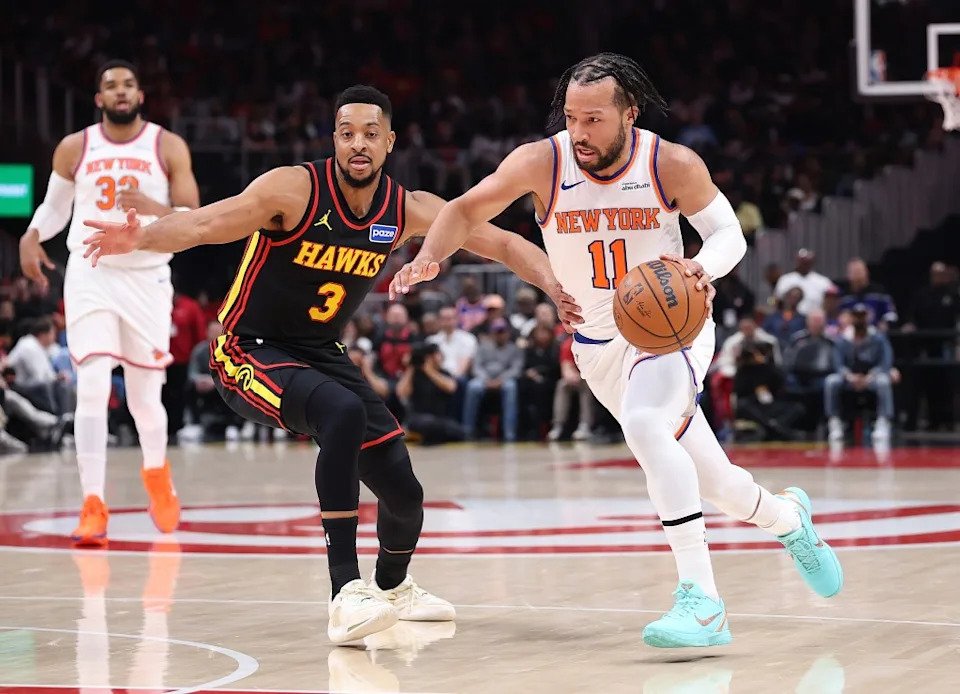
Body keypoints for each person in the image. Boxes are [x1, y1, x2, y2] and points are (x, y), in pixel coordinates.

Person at [82, 85, 581, 645]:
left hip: (321, 353)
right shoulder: (293, 189)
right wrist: (143, 236)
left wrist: (556, 287)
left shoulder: (406, 207)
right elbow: (203, 223)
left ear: (390, 142)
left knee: (404, 493)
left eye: (371, 134)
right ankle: (345, 592)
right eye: (348, 134)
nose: (358, 145)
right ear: (335, 139)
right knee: (341, 412)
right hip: (248, 346)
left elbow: (507, 246)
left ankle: (392, 588)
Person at [391, 53, 842, 648]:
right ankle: (788, 519)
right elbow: (465, 209)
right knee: (715, 482)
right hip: (596, 345)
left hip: (671, 329)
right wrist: (432, 257)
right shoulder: (541, 162)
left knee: (646, 426)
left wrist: (700, 270)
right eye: (572, 118)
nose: (580, 132)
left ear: (629, 113)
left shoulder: (670, 163)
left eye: (595, 119)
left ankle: (703, 603)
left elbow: (729, 234)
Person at [18, 60, 200, 547]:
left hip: (145, 277)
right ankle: (93, 503)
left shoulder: (167, 146)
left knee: (144, 396)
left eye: (128, 84)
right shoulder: (76, 147)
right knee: (93, 384)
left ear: (140, 94)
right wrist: (33, 235)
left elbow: (192, 220)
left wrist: (151, 208)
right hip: (91, 273)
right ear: (99, 98)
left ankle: (157, 473)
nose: (120, 92)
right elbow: (56, 208)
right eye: (110, 86)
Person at [824, 304, 895, 445]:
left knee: (883, 381)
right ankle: (834, 422)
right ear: (851, 318)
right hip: (849, 378)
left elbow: (885, 363)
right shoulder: (842, 339)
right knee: (831, 381)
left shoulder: (878, 339)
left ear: (868, 317)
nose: (859, 320)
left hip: (871, 378)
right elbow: (837, 364)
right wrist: (850, 377)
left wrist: (869, 377)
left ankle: (883, 422)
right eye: (856, 316)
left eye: (862, 316)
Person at [396, 342, 464, 445]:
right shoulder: (415, 374)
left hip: (440, 418)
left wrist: (429, 370)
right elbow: (401, 392)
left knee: (458, 431)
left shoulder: (443, 373)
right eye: (436, 354)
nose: (439, 357)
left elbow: (451, 387)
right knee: (428, 423)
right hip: (418, 417)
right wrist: (411, 367)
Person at [838, 258, 897, 329]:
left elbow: (891, 314)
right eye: (854, 272)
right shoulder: (843, 296)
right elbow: (836, 318)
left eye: (859, 271)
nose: (857, 275)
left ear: (867, 272)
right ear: (848, 275)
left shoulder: (879, 292)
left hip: (875, 333)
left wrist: (886, 324)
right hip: (849, 335)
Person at [774, 249, 836, 316]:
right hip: (791, 320)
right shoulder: (785, 280)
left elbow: (832, 302)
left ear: (812, 262)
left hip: (814, 319)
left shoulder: (823, 281)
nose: (804, 264)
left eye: (807, 262)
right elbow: (776, 301)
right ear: (797, 261)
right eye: (802, 261)